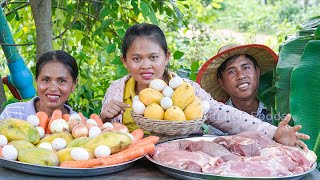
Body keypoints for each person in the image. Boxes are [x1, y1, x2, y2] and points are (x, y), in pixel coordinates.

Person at [100, 23, 309, 149]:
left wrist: (272, 132)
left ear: (167, 58)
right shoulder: (117, 90)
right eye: (136, 59)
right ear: (124, 62)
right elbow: (103, 138)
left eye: (153, 57)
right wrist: (103, 119)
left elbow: (224, 114)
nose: (146, 65)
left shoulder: (186, 89)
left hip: (178, 163)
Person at [196, 43, 277, 125]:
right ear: (221, 82)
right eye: (231, 72)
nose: (241, 76)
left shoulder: (278, 109)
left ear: (257, 72)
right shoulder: (218, 120)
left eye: (246, 68)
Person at [0, 50, 78, 120]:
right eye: (46, 80)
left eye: (62, 81)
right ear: (36, 81)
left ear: (74, 84)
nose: (53, 88)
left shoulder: (81, 123)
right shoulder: (11, 114)